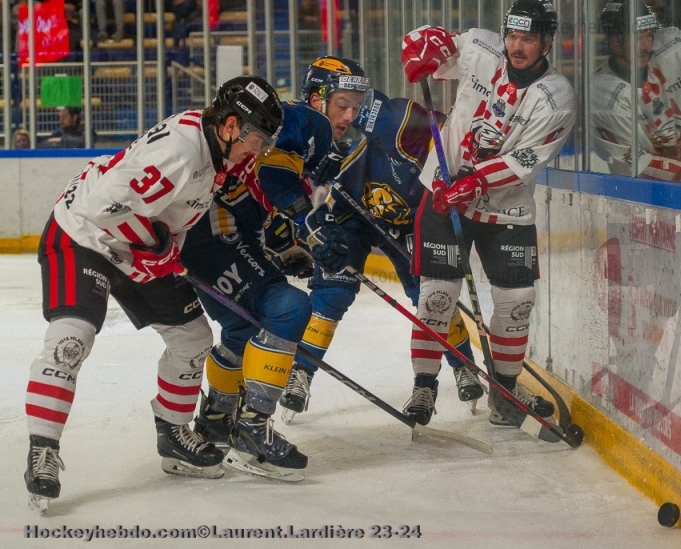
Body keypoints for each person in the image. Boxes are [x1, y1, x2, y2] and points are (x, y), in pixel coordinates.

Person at [23, 75, 283, 511]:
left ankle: (173, 433)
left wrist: (164, 248)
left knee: (193, 339)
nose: (257, 149)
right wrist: (155, 245)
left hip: (132, 242)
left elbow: (169, 215)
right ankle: (43, 450)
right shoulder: (181, 151)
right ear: (230, 125)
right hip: (83, 234)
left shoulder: (216, 148)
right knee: (73, 337)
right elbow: (104, 204)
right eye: (256, 138)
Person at [398, 0, 576, 426]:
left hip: (506, 207)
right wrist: (421, 46)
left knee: (517, 302)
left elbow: (524, 160)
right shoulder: (481, 47)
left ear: (546, 42)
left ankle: (506, 392)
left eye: (528, 38)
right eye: (513, 35)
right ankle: (424, 387)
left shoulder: (557, 97)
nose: (517, 46)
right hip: (442, 196)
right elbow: (429, 45)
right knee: (438, 296)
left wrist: (474, 181)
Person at [183, 59, 361, 480]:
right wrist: (310, 224)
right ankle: (251, 431)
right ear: (317, 99)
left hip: (218, 236)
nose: (349, 116)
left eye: (356, 106)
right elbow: (275, 177)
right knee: (287, 308)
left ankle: (216, 421)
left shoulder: (324, 147)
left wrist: (287, 245)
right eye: (342, 104)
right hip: (211, 234)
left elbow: (261, 198)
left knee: (244, 327)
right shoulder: (306, 123)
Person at [278, 87, 483, 423]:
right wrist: (322, 165)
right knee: (333, 291)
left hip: (409, 223)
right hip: (353, 216)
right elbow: (341, 128)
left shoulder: (454, 153)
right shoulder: (399, 122)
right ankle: (301, 372)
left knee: (431, 294)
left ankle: (462, 367)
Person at [591, 0, 681, 183]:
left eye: (649, 35)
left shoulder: (670, 50)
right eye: (637, 37)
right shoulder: (602, 93)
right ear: (615, 42)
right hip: (649, 193)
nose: (645, 45)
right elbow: (636, 161)